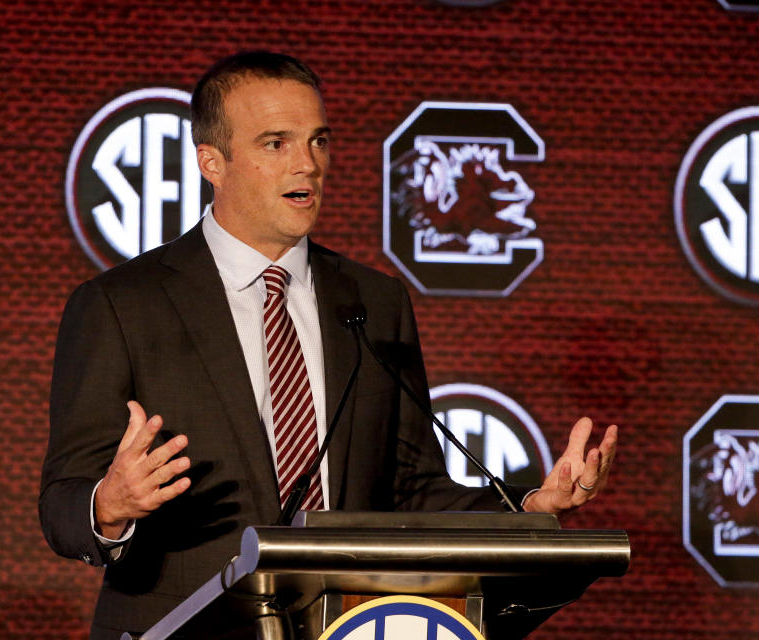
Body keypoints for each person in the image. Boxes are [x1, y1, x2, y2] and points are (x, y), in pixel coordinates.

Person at [39, 51, 618, 640]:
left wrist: (528, 510)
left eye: (319, 141)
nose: (308, 165)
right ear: (212, 161)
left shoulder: (374, 300)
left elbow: (411, 487)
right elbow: (63, 501)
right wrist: (108, 505)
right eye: (276, 144)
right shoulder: (121, 305)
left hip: (349, 624)